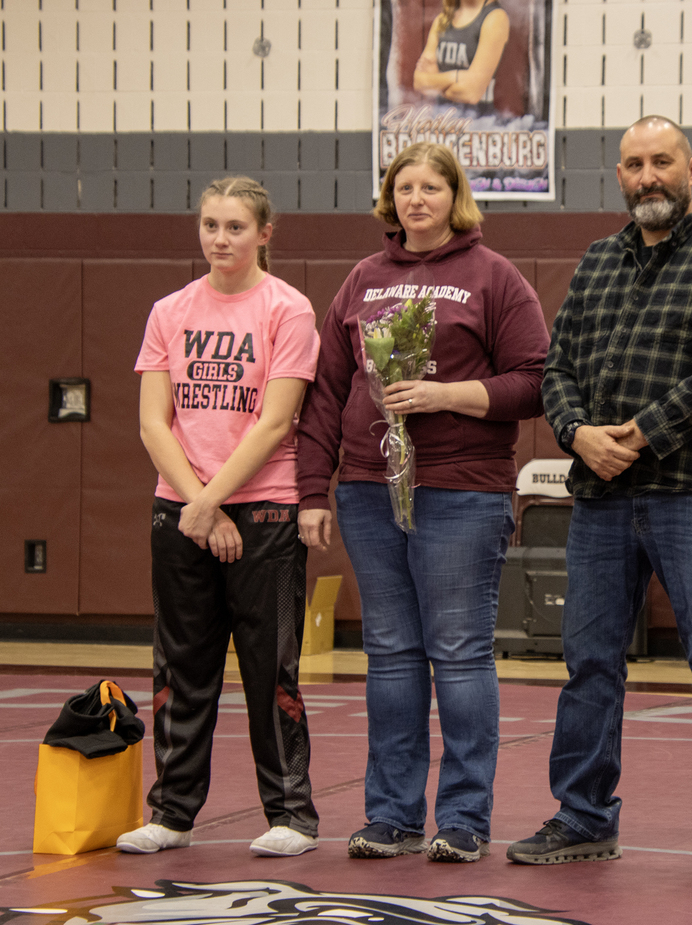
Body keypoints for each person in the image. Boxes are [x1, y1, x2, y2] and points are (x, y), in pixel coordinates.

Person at [507, 117, 692, 880]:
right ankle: (583, 817)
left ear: (691, 169)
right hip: (599, 501)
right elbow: (556, 369)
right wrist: (577, 432)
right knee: (589, 662)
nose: (647, 176)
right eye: (633, 164)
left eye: (661, 162)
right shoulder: (597, 263)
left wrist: (638, 433)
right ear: (618, 175)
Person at [296, 142, 548, 863]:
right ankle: (392, 816)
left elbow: (533, 381)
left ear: (454, 196)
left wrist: (445, 396)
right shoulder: (363, 280)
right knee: (391, 656)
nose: (416, 199)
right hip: (369, 493)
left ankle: (463, 819)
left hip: (461, 492)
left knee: (460, 654)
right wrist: (313, 488)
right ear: (389, 198)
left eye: (430, 187)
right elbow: (325, 394)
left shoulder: (493, 278)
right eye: (403, 187)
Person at [119, 177, 321, 858]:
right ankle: (172, 812)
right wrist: (196, 505)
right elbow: (153, 423)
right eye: (210, 225)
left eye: (235, 227)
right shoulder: (169, 310)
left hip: (262, 509)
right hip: (180, 511)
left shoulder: (287, 311)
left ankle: (290, 813)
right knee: (181, 662)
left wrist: (212, 504)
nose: (220, 239)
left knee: (270, 666)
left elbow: (275, 423)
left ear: (264, 233)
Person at [413, 0, 510, 112]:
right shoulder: (443, 20)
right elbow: (419, 82)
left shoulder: (495, 18)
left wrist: (436, 82)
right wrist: (455, 76)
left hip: (481, 124)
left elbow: (472, 93)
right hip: (443, 121)